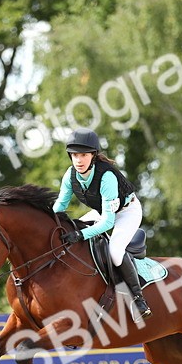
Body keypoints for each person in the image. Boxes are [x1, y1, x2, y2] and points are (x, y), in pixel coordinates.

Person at [53, 128, 152, 319]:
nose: (78, 160)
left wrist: (81, 234)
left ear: (93, 155)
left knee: (115, 252)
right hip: (102, 211)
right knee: (71, 233)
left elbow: (108, 222)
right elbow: (60, 206)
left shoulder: (106, 176)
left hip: (126, 212)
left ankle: (138, 299)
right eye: (74, 155)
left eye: (83, 155)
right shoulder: (70, 175)